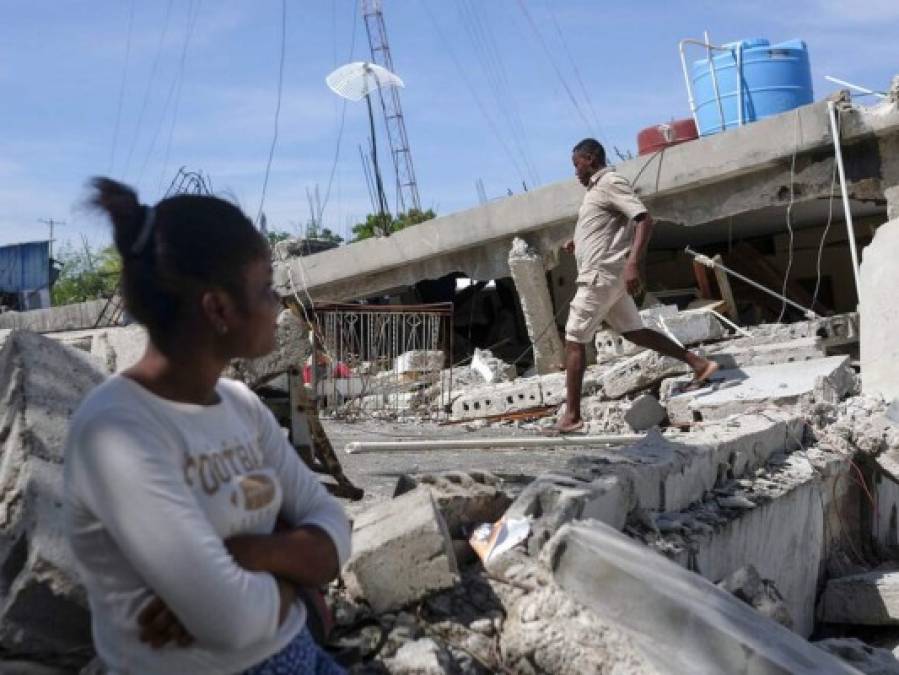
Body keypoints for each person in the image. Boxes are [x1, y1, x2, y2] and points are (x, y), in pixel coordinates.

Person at [64, 178, 351, 674]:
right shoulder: (117, 433)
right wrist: (297, 574)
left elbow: (335, 528)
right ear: (218, 308)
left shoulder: (240, 406)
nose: (277, 303)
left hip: (300, 655)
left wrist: (246, 554)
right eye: (265, 288)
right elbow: (234, 621)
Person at [555, 139, 719, 433]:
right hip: (605, 275)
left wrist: (633, 263)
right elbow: (607, 228)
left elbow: (644, 219)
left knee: (574, 338)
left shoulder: (609, 181)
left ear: (590, 159)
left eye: (577, 164)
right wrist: (577, 243)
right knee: (636, 332)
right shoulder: (596, 190)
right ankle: (698, 363)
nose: (576, 172)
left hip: (600, 276)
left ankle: (572, 416)